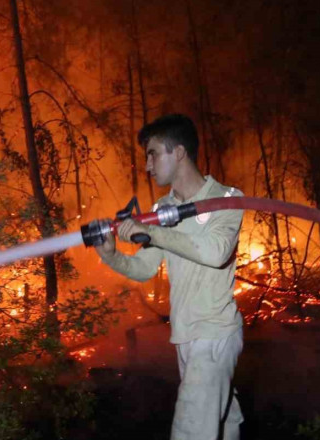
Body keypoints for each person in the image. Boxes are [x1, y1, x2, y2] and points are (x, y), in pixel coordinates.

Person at [95, 114, 244, 440]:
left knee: (191, 431)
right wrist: (110, 255)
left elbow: (215, 252)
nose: (147, 165)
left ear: (178, 152)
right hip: (186, 337)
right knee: (223, 426)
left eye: (152, 153)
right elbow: (144, 268)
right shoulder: (162, 207)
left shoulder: (226, 198)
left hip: (213, 334)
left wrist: (154, 233)